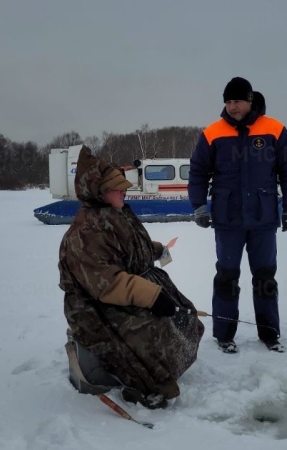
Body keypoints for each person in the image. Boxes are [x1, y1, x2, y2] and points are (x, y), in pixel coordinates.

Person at [58, 146, 205, 409]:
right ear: (98, 191)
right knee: (149, 330)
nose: (124, 191)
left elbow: (132, 245)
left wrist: (156, 250)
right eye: (117, 188)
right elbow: (107, 283)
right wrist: (153, 296)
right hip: (95, 307)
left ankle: (168, 368)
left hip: (127, 288)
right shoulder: (86, 232)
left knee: (184, 313)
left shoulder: (117, 213)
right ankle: (146, 386)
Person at [188, 77, 287, 354]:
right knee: (227, 276)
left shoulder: (274, 129)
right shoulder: (212, 133)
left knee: (265, 277)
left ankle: (269, 334)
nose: (232, 107)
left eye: (237, 101)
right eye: (227, 102)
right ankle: (224, 334)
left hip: (263, 220)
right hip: (228, 220)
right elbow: (198, 172)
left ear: (250, 101)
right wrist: (199, 207)